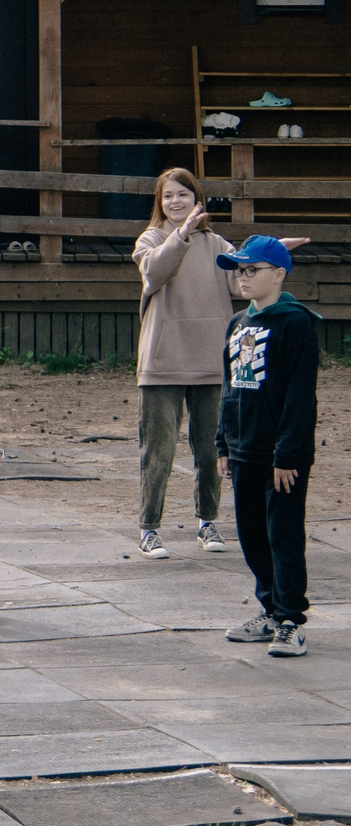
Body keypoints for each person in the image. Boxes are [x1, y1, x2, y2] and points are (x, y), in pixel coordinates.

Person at [215, 235, 323, 659]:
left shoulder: (294, 323)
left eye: (251, 270)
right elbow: (230, 386)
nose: (242, 277)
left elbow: (300, 396)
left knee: (282, 534)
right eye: (238, 270)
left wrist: (287, 454)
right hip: (243, 448)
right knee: (252, 534)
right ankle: (270, 609)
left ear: (278, 274)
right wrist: (223, 441)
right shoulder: (238, 322)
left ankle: (291, 619)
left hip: (281, 455)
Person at [132, 168, 235, 560]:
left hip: (211, 360)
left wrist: (273, 253)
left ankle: (208, 521)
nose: (176, 202)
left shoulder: (217, 244)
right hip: (162, 362)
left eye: (183, 195)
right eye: (168, 196)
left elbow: (241, 277)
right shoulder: (151, 240)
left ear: (197, 200)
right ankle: (149, 529)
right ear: (160, 204)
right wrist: (182, 235)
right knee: (157, 450)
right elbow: (154, 271)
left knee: (211, 448)